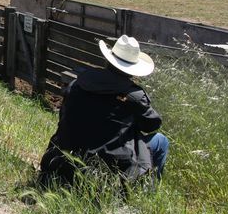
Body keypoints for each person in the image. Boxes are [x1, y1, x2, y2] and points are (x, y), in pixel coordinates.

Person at [38, 35, 169, 187]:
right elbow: (151, 125)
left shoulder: (77, 84)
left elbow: (64, 115)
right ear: (133, 70)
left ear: (108, 60)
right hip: (108, 171)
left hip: (62, 161)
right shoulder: (134, 96)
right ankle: (148, 190)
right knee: (161, 140)